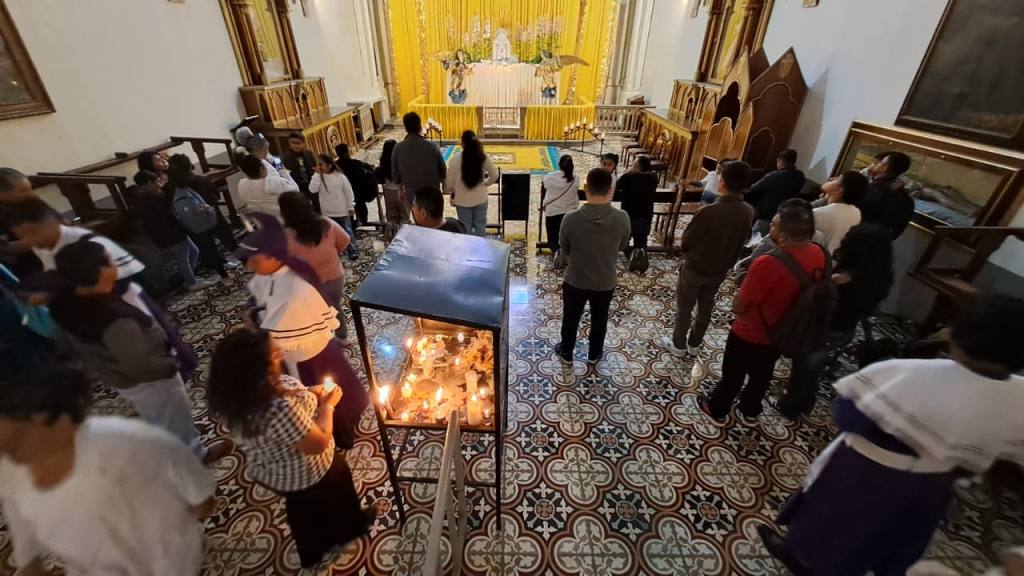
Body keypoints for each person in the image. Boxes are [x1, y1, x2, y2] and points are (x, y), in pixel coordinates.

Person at [760, 293, 1024, 575]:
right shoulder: (1018, 395)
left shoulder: (912, 372)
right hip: (932, 487)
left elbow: (849, 415)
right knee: (876, 540)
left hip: (866, 475)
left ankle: (800, 558)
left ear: (958, 334)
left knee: (828, 523)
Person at [0, 363, 217, 576]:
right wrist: (30, 563)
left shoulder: (126, 441)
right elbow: (22, 532)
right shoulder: (10, 475)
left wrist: (189, 512)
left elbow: (197, 493)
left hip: (169, 560)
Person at [46, 239, 227, 463]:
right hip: (150, 380)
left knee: (158, 415)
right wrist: (174, 363)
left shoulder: (67, 301)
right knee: (170, 410)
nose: (116, 264)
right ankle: (195, 453)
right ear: (101, 272)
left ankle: (178, 433)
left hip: (120, 377)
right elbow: (142, 367)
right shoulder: (113, 319)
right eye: (110, 261)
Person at [208, 328, 374, 569]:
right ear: (258, 368)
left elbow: (290, 393)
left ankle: (312, 550)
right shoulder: (275, 408)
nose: (281, 353)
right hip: (304, 470)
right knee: (335, 493)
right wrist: (328, 406)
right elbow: (317, 443)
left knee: (302, 509)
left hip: (275, 472)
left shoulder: (238, 396)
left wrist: (310, 392)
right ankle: (348, 529)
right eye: (275, 354)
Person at [237, 213, 369, 448]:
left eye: (252, 260)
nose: (249, 266)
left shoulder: (293, 283)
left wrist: (256, 323)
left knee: (323, 395)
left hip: (307, 351)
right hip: (308, 347)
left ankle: (339, 429)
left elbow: (279, 320)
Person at [700, 199, 827, 422]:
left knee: (734, 373)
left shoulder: (769, 263)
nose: (771, 229)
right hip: (785, 328)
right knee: (763, 372)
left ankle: (717, 407)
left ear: (784, 235)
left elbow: (741, 304)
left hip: (752, 330)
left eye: (774, 226)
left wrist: (736, 303)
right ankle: (750, 406)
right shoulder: (820, 253)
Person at [780, 223, 893, 419]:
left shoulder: (842, 280)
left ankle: (792, 405)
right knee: (814, 367)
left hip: (825, 328)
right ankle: (805, 402)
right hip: (845, 329)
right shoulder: (880, 277)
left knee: (805, 367)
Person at [664, 160, 755, 356]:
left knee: (685, 307)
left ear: (722, 182)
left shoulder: (708, 211)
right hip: (720, 269)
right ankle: (695, 344)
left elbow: (686, 241)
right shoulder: (748, 211)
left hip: (695, 267)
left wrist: (688, 254)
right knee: (706, 307)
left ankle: (678, 345)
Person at [553, 168, 631, 366]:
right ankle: (594, 353)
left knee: (571, 317)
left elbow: (565, 248)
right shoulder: (622, 218)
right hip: (605, 279)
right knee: (600, 318)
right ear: (610, 190)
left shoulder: (571, 218)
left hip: (576, 279)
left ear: (586, 188)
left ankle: (567, 352)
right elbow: (622, 246)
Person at [4, 196, 144, 281]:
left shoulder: (84, 241)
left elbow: (112, 278)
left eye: (32, 234)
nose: (28, 240)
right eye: (22, 236)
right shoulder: (44, 248)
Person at [279, 191, 352, 340]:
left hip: (308, 284)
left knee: (315, 313)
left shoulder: (284, 235)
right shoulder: (326, 224)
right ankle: (343, 337)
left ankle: (323, 342)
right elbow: (345, 240)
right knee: (336, 307)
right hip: (334, 277)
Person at [131, 171, 213, 291]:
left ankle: (188, 277)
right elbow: (168, 214)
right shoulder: (154, 196)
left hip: (166, 232)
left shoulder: (141, 196)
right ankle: (192, 283)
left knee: (194, 251)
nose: (160, 183)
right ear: (149, 183)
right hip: (170, 233)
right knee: (183, 257)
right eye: (157, 181)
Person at [165, 162, 232, 284]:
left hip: (194, 226)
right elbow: (216, 195)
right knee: (228, 240)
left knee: (209, 249)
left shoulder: (169, 188)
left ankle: (224, 276)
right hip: (212, 217)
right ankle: (246, 264)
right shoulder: (200, 180)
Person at [446, 130, 498, 237]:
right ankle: (480, 251)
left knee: (466, 230)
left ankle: (468, 252)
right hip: (481, 198)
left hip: (462, 201)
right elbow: (495, 175)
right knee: (480, 227)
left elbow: (448, 184)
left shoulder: (455, 159)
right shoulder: (482, 157)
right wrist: (485, 183)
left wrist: (454, 190)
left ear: (462, 144)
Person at [745, 148, 806, 237]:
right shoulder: (800, 176)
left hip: (767, 216)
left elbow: (753, 189)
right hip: (784, 216)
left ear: (780, 161)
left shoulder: (774, 176)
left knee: (755, 239)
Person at [391, 112, 447, 204]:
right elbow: (443, 169)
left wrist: (399, 189)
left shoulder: (398, 148)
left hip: (412, 195)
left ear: (405, 128)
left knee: (418, 217)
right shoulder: (432, 146)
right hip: (432, 193)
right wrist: (444, 184)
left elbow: (395, 173)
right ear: (419, 126)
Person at [310, 154, 358, 260]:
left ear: (329, 165)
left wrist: (351, 205)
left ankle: (352, 250)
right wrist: (316, 175)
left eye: (321, 164)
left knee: (347, 231)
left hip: (342, 211)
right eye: (317, 164)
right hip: (327, 212)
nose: (318, 167)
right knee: (330, 234)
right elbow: (312, 189)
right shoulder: (318, 177)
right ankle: (336, 251)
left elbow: (348, 192)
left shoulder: (340, 177)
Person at [860, 151, 915, 239]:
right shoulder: (908, 200)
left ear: (884, 168)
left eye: (877, 162)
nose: (873, 164)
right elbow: (897, 231)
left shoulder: (868, 190)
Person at [812, 170, 868, 254]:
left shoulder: (818, 213)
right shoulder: (856, 212)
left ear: (839, 190)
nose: (831, 178)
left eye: (837, 179)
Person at [615, 155, 660, 253]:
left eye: (633, 164)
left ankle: (626, 255)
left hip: (629, 217)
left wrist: (626, 174)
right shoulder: (653, 179)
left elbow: (616, 189)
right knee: (641, 243)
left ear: (638, 167)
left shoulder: (628, 178)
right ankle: (639, 259)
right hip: (645, 217)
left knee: (623, 241)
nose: (631, 166)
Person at [541, 155, 581, 256]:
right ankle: (566, 252)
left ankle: (556, 252)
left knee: (552, 239)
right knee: (567, 236)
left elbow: (545, 186)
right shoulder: (576, 179)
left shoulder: (550, 177)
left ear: (559, 164)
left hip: (553, 212)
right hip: (570, 212)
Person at [335, 144, 379, 228]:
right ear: (347, 152)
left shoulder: (335, 166)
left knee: (348, 216)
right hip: (357, 194)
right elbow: (364, 176)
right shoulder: (355, 164)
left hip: (343, 196)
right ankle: (363, 225)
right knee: (362, 213)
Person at [375, 139, 408, 237]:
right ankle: (403, 237)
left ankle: (390, 236)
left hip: (388, 191)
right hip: (401, 191)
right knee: (404, 217)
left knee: (392, 217)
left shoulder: (383, 161)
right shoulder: (400, 160)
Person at [282, 132, 320, 212]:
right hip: (298, 187)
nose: (295, 145)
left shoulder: (309, 153)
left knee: (317, 207)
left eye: (298, 143)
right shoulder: (286, 157)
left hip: (311, 184)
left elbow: (314, 168)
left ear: (304, 143)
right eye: (292, 143)